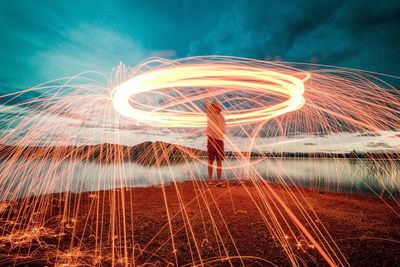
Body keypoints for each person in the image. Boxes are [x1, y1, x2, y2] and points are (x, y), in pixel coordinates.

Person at [205, 100, 226, 187]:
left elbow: (224, 129)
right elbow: (206, 105)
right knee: (210, 160)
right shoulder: (210, 114)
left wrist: (221, 133)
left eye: (216, 106)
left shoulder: (222, 117)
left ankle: (219, 181)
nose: (215, 108)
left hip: (220, 140)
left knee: (219, 161)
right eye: (213, 106)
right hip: (211, 139)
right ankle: (210, 181)